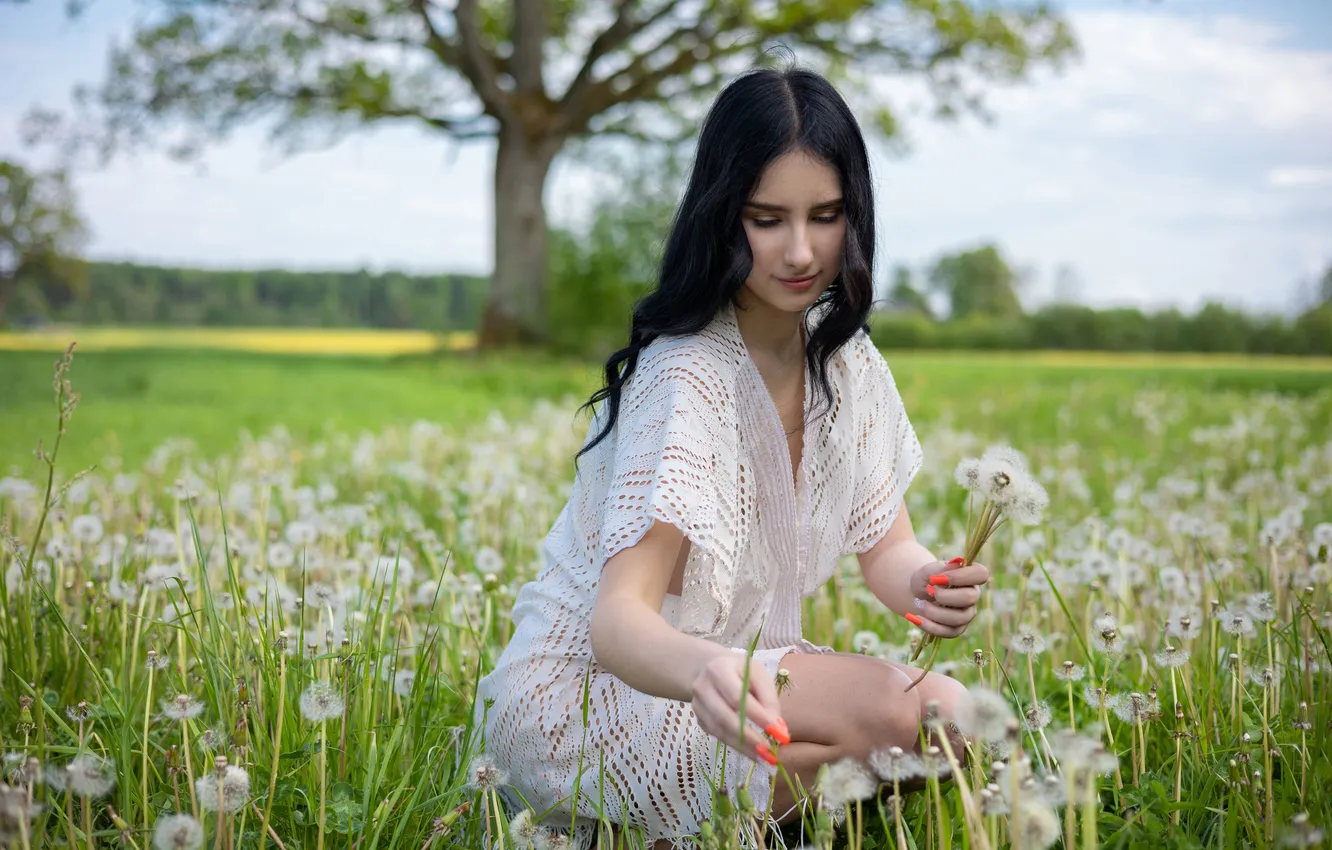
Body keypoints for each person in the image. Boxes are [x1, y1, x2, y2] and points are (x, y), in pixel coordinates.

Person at [473, 64, 989, 848]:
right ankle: (676, 816)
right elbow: (616, 623)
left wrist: (925, 582)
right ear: (721, 216)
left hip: (736, 681)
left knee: (953, 720)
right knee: (901, 714)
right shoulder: (687, 376)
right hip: (592, 696)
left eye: (825, 215)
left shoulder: (843, 363)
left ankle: (692, 825)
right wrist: (699, 671)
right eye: (766, 218)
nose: (800, 250)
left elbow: (888, 545)